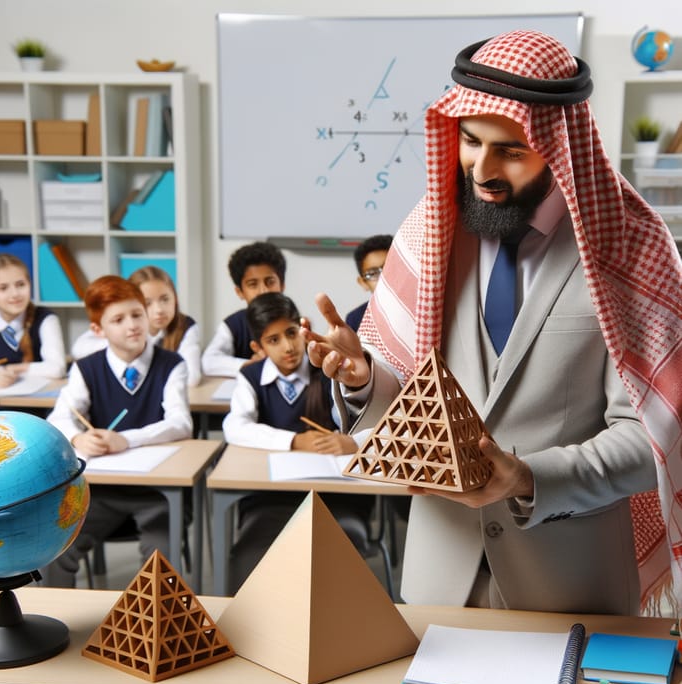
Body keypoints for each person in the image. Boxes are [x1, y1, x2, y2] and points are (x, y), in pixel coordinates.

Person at [303, 30, 682, 616]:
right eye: (470, 141)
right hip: (438, 580)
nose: (481, 168)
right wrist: (361, 380)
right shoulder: (430, 233)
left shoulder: (628, 248)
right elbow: (404, 414)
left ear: (559, 145)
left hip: (572, 586)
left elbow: (653, 438)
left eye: (509, 149)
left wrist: (528, 478)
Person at [43, 275, 192, 587]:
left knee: (158, 565)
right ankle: (61, 624)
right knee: (54, 553)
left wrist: (126, 439)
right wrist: (78, 437)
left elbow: (181, 423)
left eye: (137, 314)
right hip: (100, 492)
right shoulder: (86, 368)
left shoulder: (172, 364)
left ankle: (151, 632)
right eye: (118, 319)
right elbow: (60, 417)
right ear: (98, 330)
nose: (132, 326)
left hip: (158, 493)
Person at [222, 291, 374, 593]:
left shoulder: (328, 367)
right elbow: (234, 426)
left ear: (303, 328)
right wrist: (294, 441)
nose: (289, 347)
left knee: (341, 556)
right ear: (257, 347)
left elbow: (373, 417)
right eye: (273, 340)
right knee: (246, 556)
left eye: (292, 333)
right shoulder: (250, 376)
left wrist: (351, 442)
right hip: (270, 499)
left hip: (335, 498)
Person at [71, 266, 202, 386]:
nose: (159, 310)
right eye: (147, 303)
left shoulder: (185, 326)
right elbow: (79, 348)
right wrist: (122, 343)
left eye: (165, 299)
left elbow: (192, 377)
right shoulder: (121, 328)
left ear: (176, 299)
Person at [201, 241, 286, 377]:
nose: (263, 291)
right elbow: (209, 362)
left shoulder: (295, 322)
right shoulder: (233, 325)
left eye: (270, 282)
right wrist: (251, 366)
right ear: (240, 291)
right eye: (253, 284)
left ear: (282, 285)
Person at [0, 253, 66, 388]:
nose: (15, 294)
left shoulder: (45, 319)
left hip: (35, 405)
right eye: (3, 288)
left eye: (21, 284)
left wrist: (13, 369)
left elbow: (57, 368)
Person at [345, 234, 393, 332]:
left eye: (389, 268)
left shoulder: (422, 309)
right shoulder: (356, 318)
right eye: (373, 273)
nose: (383, 277)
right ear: (363, 282)